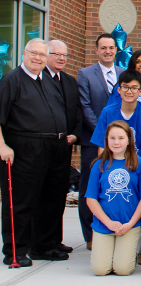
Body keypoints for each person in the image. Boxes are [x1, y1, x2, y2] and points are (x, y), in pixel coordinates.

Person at [0, 39, 69, 266]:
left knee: (50, 199)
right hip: (25, 148)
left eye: (42, 54)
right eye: (34, 53)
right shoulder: (12, 80)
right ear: (24, 53)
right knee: (21, 201)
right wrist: (2, 146)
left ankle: (44, 246)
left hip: (55, 148)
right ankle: (15, 251)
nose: (38, 58)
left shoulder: (48, 81)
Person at [91, 70, 141, 264]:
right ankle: (107, 239)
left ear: (140, 91)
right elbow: (102, 146)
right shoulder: (108, 112)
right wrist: (103, 172)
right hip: (112, 167)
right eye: (125, 87)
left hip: (139, 170)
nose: (129, 91)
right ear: (118, 89)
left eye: (134, 88)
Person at [86, 121, 141, 276]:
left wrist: (130, 224)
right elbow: (91, 199)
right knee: (100, 270)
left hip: (129, 225)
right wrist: (108, 222)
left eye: (121, 138)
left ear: (129, 140)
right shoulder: (99, 165)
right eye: (112, 138)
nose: (116, 142)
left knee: (123, 270)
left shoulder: (140, 164)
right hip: (104, 224)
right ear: (106, 140)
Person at [78, 33, 125, 251]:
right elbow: (85, 106)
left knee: (117, 185)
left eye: (111, 47)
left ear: (117, 50)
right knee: (91, 187)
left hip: (122, 145)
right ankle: (91, 235)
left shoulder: (124, 75)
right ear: (96, 50)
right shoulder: (85, 74)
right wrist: (105, 134)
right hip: (93, 140)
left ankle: (117, 230)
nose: (108, 51)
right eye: (103, 48)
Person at [44, 39, 82, 255]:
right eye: (56, 54)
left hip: (64, 147)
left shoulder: (69, 81)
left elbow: (77, 111)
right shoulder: (40, 80)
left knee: (58, 194)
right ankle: (41, 242)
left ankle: (55, 240)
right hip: (44, 146)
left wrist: (75, 134)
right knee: (44, 194)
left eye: (64, 55)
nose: (61, 58)